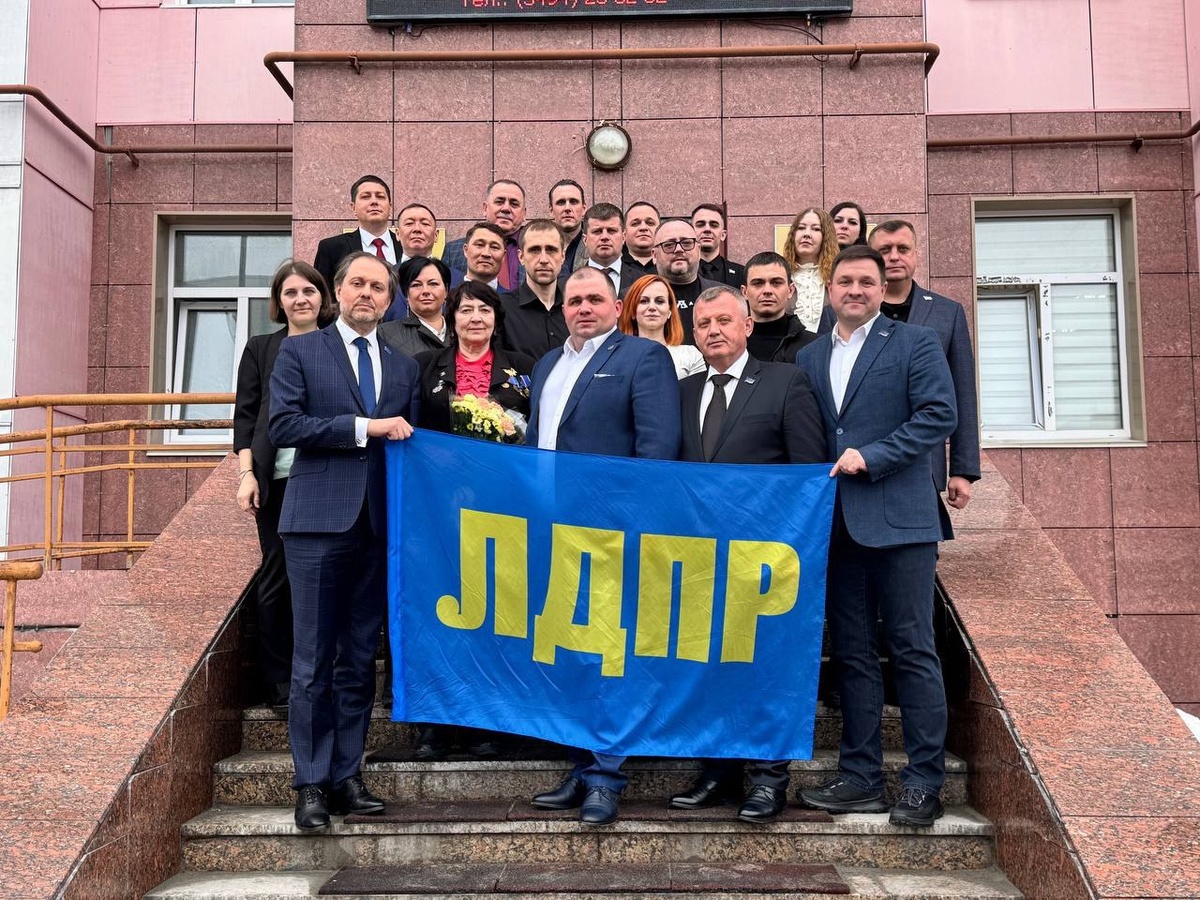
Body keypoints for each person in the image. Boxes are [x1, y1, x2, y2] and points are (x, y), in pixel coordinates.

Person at [795, 245, 957, 828]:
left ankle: (923, 782)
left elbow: (938, 414)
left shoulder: (914, 342)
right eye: (845, 281)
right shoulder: (811, 355)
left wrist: (874, 455)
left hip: (902, 520)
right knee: (853, 653)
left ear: (883, 288)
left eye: (867, 281)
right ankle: (860, 777)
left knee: (913, 649)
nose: (856, 290)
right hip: (838, 525)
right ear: (830, 289)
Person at [269, 251, 421, 831]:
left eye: (378, 287)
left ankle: (347, 774)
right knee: (312, 660)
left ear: (389, 300)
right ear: (338, 290)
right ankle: (310, 783)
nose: (367, 294)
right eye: (358, 283)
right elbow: (283, 425)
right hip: (315, 523)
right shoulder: (301, 351)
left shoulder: (403, 367)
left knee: (359, 659)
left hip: (377, 530)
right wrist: (364, 428)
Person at [527, 267, 681, 826]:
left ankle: (605, 777)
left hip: (613, 532)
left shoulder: (644, 357)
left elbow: (657, 452)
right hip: (552, 530)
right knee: (572, 653)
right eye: (574, 301)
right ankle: (580, 763)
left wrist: (633, 527)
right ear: (562, 309)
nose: (583, 308)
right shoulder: (547, 364)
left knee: (612, 656)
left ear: (617, 307)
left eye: (595, 298)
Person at [670, 285, 827, 823]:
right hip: (699, 557)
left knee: (765, 669)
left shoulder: (786, 382)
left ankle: (767, 778)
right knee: (710, 666)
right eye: (703, 323)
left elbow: (807, 475)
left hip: (766, 557)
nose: (713, 330)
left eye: (723, 320)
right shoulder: (683, 392)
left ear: (747, 326)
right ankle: (717, 772)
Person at [234, 260, 335, 714]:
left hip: (327, 479)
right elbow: (246, 417)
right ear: (279, 301)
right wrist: (247, 474)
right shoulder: (262, 348)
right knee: (277, 577)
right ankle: (278, 682)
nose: (300, 299)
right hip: (277, 480)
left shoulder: (337, 346)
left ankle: (323, 676)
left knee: (326, 579)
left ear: (322, 296)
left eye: (308, 291)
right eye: (290, 292)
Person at [313, 175, 397, 292]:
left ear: (390, 207)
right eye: (366, 197)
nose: (374, 201)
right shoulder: (331, 248)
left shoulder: (407, 246)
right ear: (353, 208)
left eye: (380, 196)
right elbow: (322, 295)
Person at [499, 219, 568, 360]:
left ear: (562, 256)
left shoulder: (577, 308)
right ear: (521, 257)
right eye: (534, 250)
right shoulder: (502, 309)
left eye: (551, 250)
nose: (543, 259)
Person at [442, 180, 527, 291]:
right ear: (485, 208)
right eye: (499, 202)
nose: (506, 208)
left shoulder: (537, 250)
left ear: (524, 214)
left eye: (514, 204)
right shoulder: (453, 250)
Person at [617, 274, 705, 378]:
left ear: (670, 311)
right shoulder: (617, 357)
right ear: (632, 311)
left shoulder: (690, 355)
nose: (652, 307)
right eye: (643, 301)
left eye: (659, 301)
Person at [652, 219, 723, 344]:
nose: (679, 249)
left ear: (699, 251)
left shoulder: (724, 296)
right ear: (654, 255)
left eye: (687, 243)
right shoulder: (633, 298)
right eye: (669, 245)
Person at [742, 251, 818, 363]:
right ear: (745, 292)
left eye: (776, 283)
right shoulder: (729, 344)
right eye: (758, 283)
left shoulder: (814, 346)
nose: (767, 290)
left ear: (790, 290)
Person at [378, 257, 452, 358]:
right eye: (416, 285)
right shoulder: (385, 334)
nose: (425, 291)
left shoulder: (461, 329)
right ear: (406, 294)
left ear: (446, 290)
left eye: (433, 284)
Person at [783, 207, 838, 333]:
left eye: (816, 229)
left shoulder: (837, 276)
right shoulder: (781, 275)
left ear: (826, 237)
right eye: (801, 228)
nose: (806, 234)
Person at [576, 202, 640, 299]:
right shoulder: (571, 283)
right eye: (597, 231)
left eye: (611, 231)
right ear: (585, 240)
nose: (604, 237)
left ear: (623, 237)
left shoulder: (642, 281)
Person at [691, 203, 746, 288]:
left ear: (723, 235)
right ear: (690, 232)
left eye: (714, 225)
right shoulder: (680, 272)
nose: (707, 229)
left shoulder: (742, 274)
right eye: (700, 225)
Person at [548, 179, 587, 272]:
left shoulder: (594, 246)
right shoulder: (539, 246)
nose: (567, 208)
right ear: (551, 211)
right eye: (561, 202)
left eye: (573, 202)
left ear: (584, 209)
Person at [461, 221, 508, 289]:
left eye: (494, 247)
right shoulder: (448, 294)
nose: (486, 253)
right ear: (466, 250)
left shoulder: (514, 296)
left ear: (503, 256)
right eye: (480, 245)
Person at [622, 200, 660, 278]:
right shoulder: (614, 266)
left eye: (650, 223)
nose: (643, 228)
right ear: (624, 234)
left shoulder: (671, 264)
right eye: (635, 224)